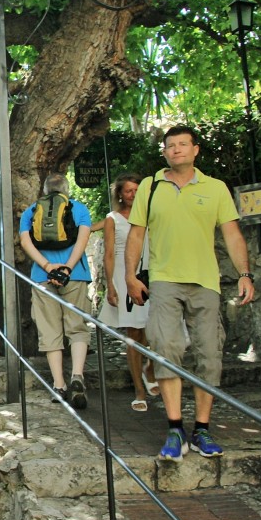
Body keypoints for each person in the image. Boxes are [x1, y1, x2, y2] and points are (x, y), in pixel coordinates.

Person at [124, 125, 255, 461]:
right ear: (165, 152)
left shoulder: (216, 189)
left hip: (206, 281)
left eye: (183, 144)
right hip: (164, 280)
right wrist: (129, 276)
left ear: (196, 150)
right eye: (171, 146)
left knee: (209, 353)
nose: (177, 150)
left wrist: (245, 274)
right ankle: (174, 429)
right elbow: (136, 235)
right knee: (166, 348)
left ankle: (202, 430)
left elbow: (233, 234)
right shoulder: (150, 188)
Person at [19, 173, 93, 409]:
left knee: (49, 331)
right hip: (75, 275)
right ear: (66, 189)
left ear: (44, 190)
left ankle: (59, 385)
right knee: (77, 326)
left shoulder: (31, 211)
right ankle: (77, 376)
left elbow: (25, 242)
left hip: (43, 277)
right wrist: (67, 268)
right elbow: (83, 239)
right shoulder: (79, 208)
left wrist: (48, 267)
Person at [98, 172, 160, 412]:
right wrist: (111, 286)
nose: (133, 194)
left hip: (152, 274)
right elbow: (109, 253)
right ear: (120, 195)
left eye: (137, 190)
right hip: (126, 277)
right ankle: (139, 390)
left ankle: (149, 369)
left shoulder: (151, 214)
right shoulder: (113, 218)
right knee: (134, 333)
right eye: (128, 191)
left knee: (154, 329)